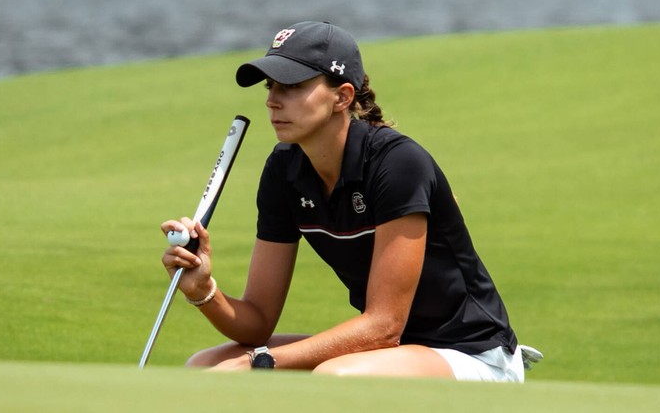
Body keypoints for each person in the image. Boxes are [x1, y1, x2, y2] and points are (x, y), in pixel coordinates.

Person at [159, 21, 540, 381]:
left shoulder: (398, 163)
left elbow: (384, 326)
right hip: (389, 352)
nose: (273, 101)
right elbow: (257, 322)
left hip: (471, 352)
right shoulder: (284, 169)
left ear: (342, 96)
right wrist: (203, 291)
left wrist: (258, 361)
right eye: (270, 87)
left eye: (292, 86)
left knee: (334, 377)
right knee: (205, 365)